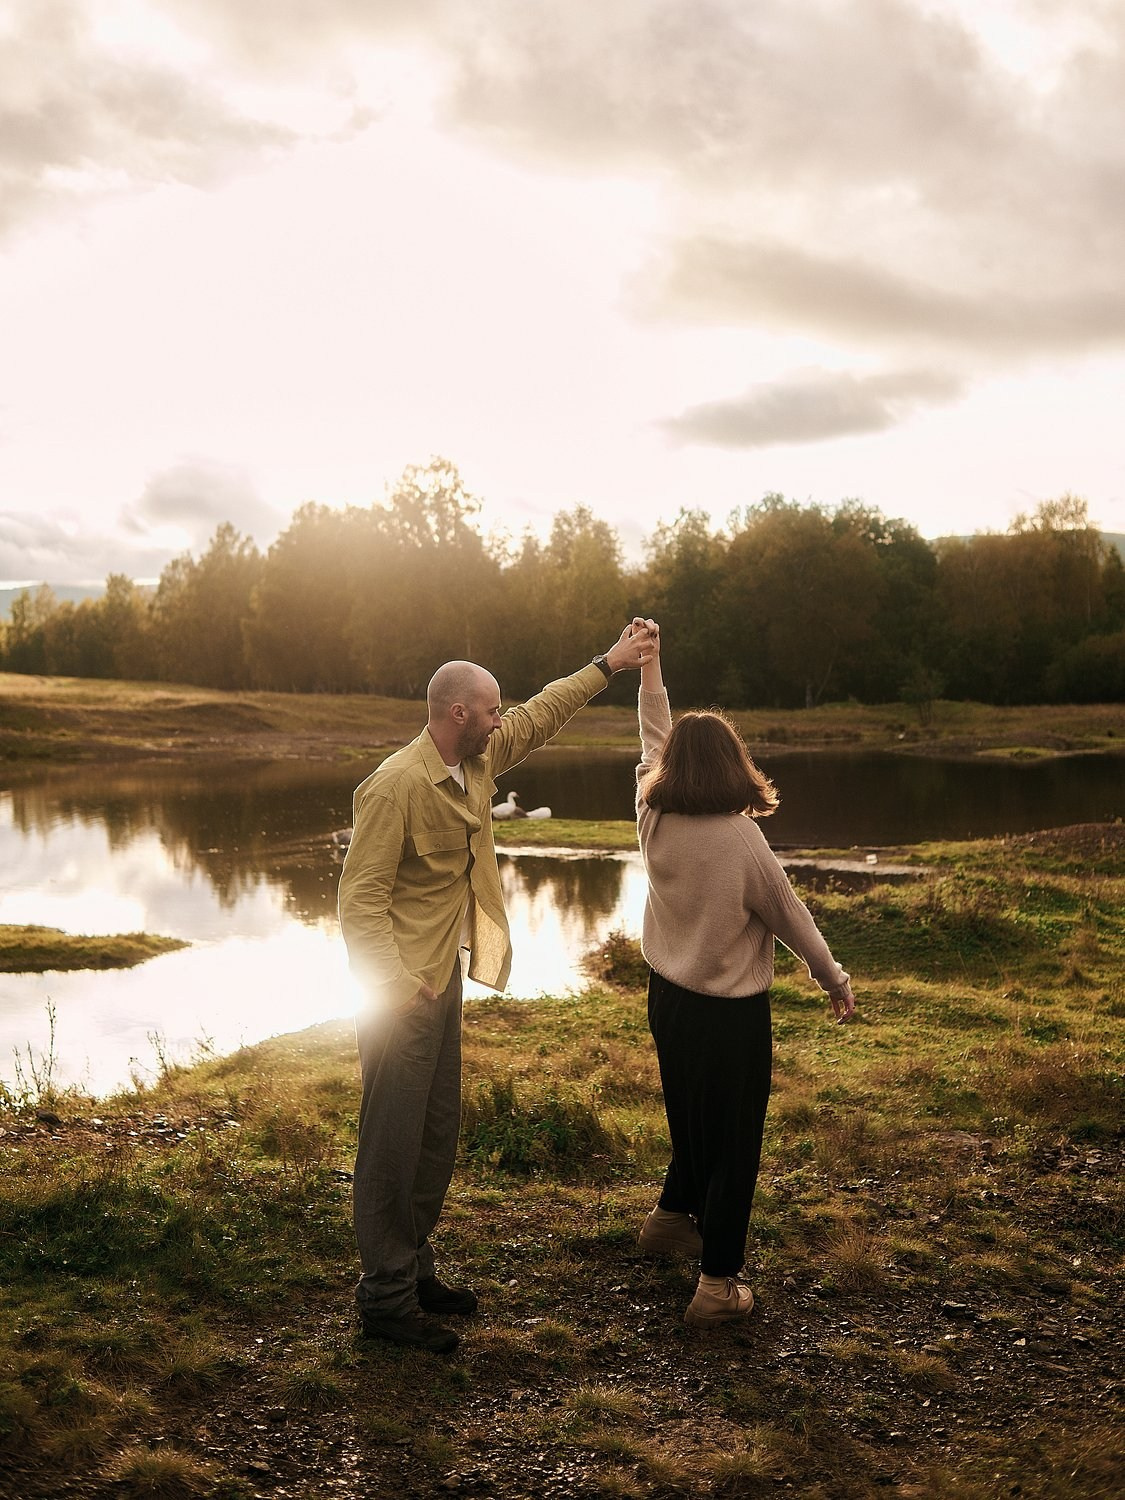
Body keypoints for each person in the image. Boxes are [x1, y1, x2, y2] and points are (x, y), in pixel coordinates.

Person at [338, 621, 658, 1354]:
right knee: (391, 1144)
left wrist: (608, 663)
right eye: (490, 709)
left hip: (441, 979)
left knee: (435, 1134)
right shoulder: (393, 787)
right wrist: (396, 986)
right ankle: (385, 1301)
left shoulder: (476, 765)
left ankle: (412, 1268)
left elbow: (542, 712)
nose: (500, 719)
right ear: (458, 714)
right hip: (400, 993)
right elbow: (358, 899)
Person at [633, 624, 856, 1327]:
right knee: (732, 1144)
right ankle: (717, 1285)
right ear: (733, 762)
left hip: (666, 1001)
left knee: (692, 1122)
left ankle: (671, 1220)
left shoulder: (651, 810)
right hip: (727, 1017)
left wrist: (651, 668)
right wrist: (834, 980)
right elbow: (791, 919)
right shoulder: (739, 837)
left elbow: (649, 739)